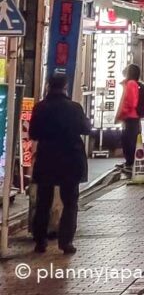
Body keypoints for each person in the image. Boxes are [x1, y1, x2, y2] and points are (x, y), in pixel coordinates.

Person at [29, 74, 91, 255]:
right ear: (65, 86)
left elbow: (33, 133)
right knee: (70, 202)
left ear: (48, 86)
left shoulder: (40, 108)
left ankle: (40, 242)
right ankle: (66, 242)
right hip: (71, 159)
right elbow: (86, 129)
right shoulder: (74, 108)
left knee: (43, 202)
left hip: (47, 158)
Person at [115, 64, 142, 172]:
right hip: (132, 117)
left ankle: (130, 163)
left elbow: (131, 102)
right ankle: (129, 163)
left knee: (128, 141)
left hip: (130, 117)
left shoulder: (131, 84)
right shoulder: (132, 83)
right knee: (129, 140)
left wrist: (123, 114)